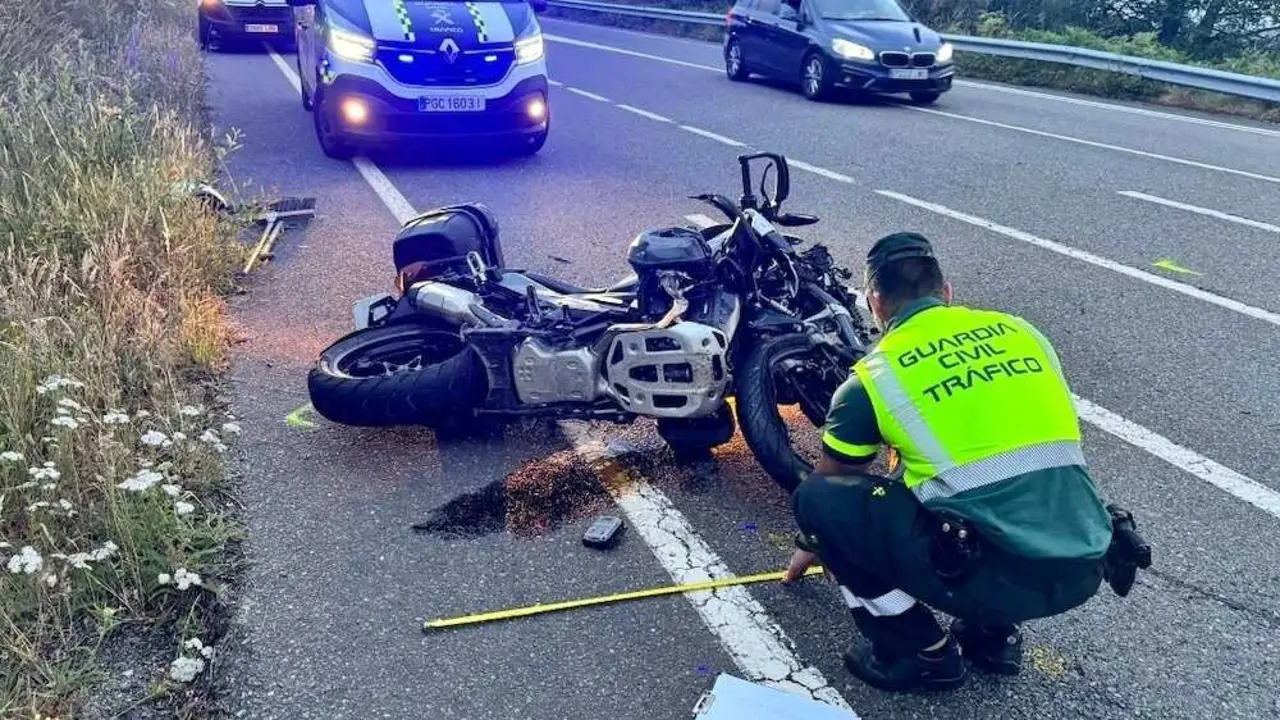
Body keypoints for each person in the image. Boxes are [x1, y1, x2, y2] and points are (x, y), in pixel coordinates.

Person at [782, 232, 1114, 692]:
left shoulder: (876, 379)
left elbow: (834, 485)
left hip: (1000, 574)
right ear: (947, 292)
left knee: (817, 499)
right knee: (977, 480)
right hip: (1085, 558)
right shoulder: (1023, 333)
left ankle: (921, 653)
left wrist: (814, 535)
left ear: (875, 305)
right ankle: (993, 636)